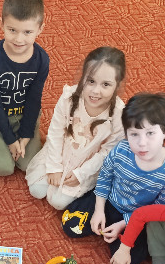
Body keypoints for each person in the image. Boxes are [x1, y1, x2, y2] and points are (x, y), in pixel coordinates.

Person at [61, 92, 165, 264]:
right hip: (110, 200)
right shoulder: (121, 150)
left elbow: (157, 209)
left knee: (132, 260)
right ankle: (101, 218)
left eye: (150, 133)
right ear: (125, 134)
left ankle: (116, 230)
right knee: (69, 224)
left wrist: (124, 223)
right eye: (134, 134)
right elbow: (105, 177)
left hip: (137, 216)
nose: (142, 143)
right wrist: (99, 210)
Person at [25, 46, 126, 210]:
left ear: (117, 85)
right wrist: (54, 167)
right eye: (91, 81)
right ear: (83, 76)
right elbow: (55, 133)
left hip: (87, 162)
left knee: (57, 203)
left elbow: (107, 152)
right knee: (37, 190)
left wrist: (81, 174)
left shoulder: (118, 116)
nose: (96, 91)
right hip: (61, 150)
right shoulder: (69, 98)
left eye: (106, 84)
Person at [0, 0, 48, 176]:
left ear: (40, 29)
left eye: (27, 32)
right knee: (3, 168)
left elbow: (34, 99)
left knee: (29, 165)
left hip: (24, 116)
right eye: (12, 30)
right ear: (1, 24)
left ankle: (23, 138)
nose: (19, 39)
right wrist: (10, 140)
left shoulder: (42, 60)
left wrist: (26, 136)